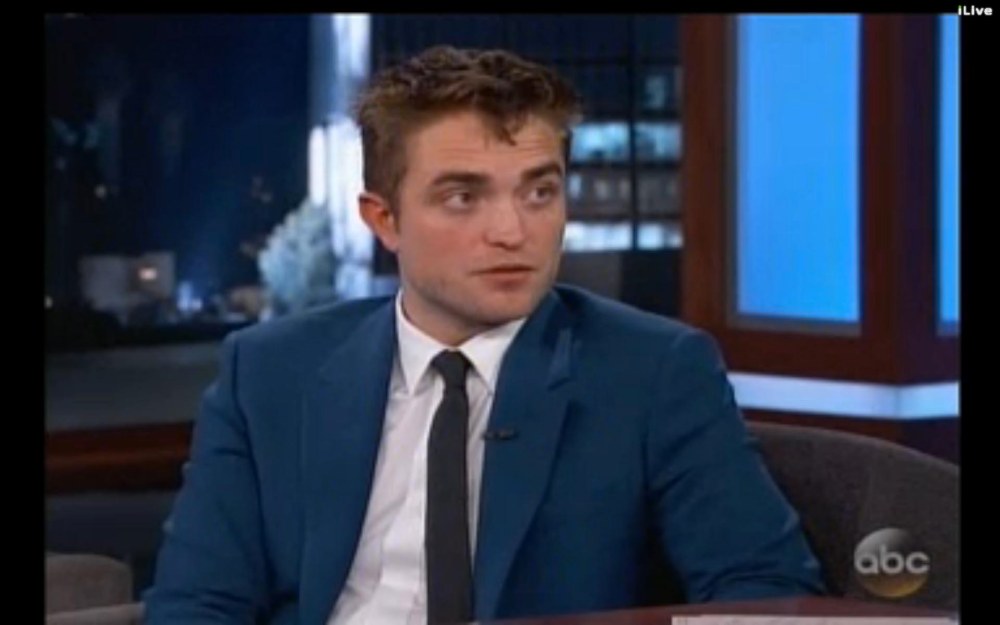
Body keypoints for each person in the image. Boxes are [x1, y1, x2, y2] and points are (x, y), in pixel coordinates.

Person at [145, 46, 825, 624]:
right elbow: (197, 602)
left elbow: (766, 592)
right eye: (463, 197)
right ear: (384, 220)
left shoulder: (653, 370)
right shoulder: (269, 369)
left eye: (538, 192)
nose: (511, 231)